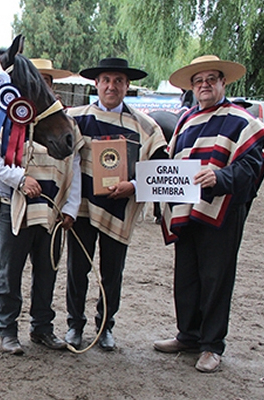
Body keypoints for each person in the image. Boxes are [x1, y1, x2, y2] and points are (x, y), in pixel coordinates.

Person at [153, 55, 264, 373]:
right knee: (186, 277)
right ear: (192, 87)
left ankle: (211, 345)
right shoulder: (186, 121)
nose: (204, 85)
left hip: (222, 212)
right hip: (187, 211)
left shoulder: (240, 120)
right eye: (198, 81)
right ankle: (188, 335)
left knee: (216, 278)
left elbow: (252, 166)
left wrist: (220, 178)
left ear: (223, 83)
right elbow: (173, 165)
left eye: (211, 79)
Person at [0, 59, 82, 354]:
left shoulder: (65, 122)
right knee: (10, 272)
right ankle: (7, 331)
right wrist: (19, 178)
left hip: (52, 213)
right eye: (38, 83)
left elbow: (74, 164)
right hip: (14, 208)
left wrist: (71, 208)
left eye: (48, 82)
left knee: (47, 272)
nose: (44, 87)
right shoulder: (5, 119)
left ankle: (42, 328)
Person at [65, 58, 167, 351]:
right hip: (81, 209)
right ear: (96, 84)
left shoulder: (145, 126)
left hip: (119, 210)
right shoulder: (74, 118)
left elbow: (161, 168)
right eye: (106, 80)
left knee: (112, 273)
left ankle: (105, 326)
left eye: (118, 81)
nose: (112, 86)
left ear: (127, 86)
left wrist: (133, 186)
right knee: (77, 270)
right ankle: (74, 325)